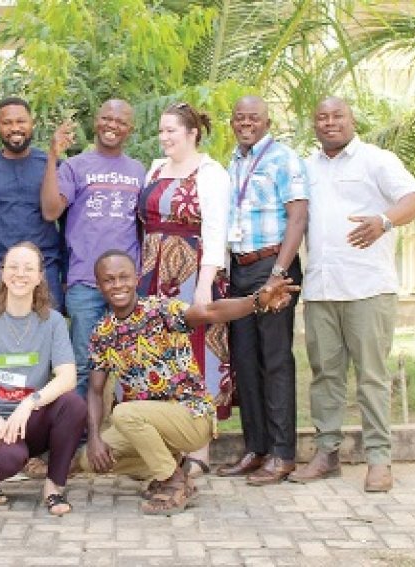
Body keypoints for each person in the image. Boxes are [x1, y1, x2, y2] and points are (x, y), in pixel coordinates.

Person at [81, 250, 299, 515]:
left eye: (123, 277)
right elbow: (94, 391)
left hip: (191, 416)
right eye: (109, 279)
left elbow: (209, 311)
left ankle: (174, 483)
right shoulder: (103, 332)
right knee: (91, 459)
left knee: (124, 414)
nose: (117, 285)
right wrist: (93, 438)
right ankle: (174, 465)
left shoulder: (161, 310)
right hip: (151, 422)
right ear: (98, 284)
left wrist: (256, 301)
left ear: (136, 278)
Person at [288, 97, 415, 492]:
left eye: (337, 116)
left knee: (371, 377)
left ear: (351, 120)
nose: (329, 123)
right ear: (314, 124)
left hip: (368, 287)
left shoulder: (376, 160)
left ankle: (379, 460)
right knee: (325, 375)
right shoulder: (306, 168)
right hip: (321, 288)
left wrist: (383, 221)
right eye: (321, 117)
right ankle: (326, 453)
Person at [0, 242, 87, 516]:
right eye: (13, 267)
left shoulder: (52, 321)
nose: (20, 274)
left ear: (40, 277)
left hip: (27, 419)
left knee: (73, 405)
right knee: (10, 459)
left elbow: (68, 376)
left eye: (29, 268)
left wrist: (29, 404)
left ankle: (53, 488)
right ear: (3, 273)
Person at [216, 95, 308, 486]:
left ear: (268, 122)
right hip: (240, 269)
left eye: (253, 117)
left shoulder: (284, 158)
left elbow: (299, 215)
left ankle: (283, 453)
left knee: (274, 360)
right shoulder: (233, 162)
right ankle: (256, 448)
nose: (245, 123)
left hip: (273, 269)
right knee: (245, 362)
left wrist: (278, 272)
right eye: (239, 117)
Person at [138, 102, 231, 477]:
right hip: (152, 274)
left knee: (195, 359)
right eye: (161, 131)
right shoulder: (156, 169)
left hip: (193, 273)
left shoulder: (211, 173)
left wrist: (204, 286)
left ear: (193, 133)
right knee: (159, 357)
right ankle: (165, 442)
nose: (164, 138)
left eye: (171, 131)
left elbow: (215, 232)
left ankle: (200, 450)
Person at [40, 99, 145, 398]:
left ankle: (125, 429)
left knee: (131, 363)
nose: (112, 125)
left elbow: (140, 225)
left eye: (121, 121)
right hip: (85, 281)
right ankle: (79, 434)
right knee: (83, 364)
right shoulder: (75, 166)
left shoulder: (138, 171)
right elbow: (50, 212)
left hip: (127, 284)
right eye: (107, 118)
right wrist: (52, 156)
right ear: (97, 121)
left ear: (130, 129)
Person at [0, 97, 65, 313]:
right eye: (7, 123)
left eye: (21, 121)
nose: (15, 128)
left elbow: (67, 226)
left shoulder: (52, 165)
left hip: (43, 272)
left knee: (42, 343)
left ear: (32, 123)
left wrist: (64, 274)